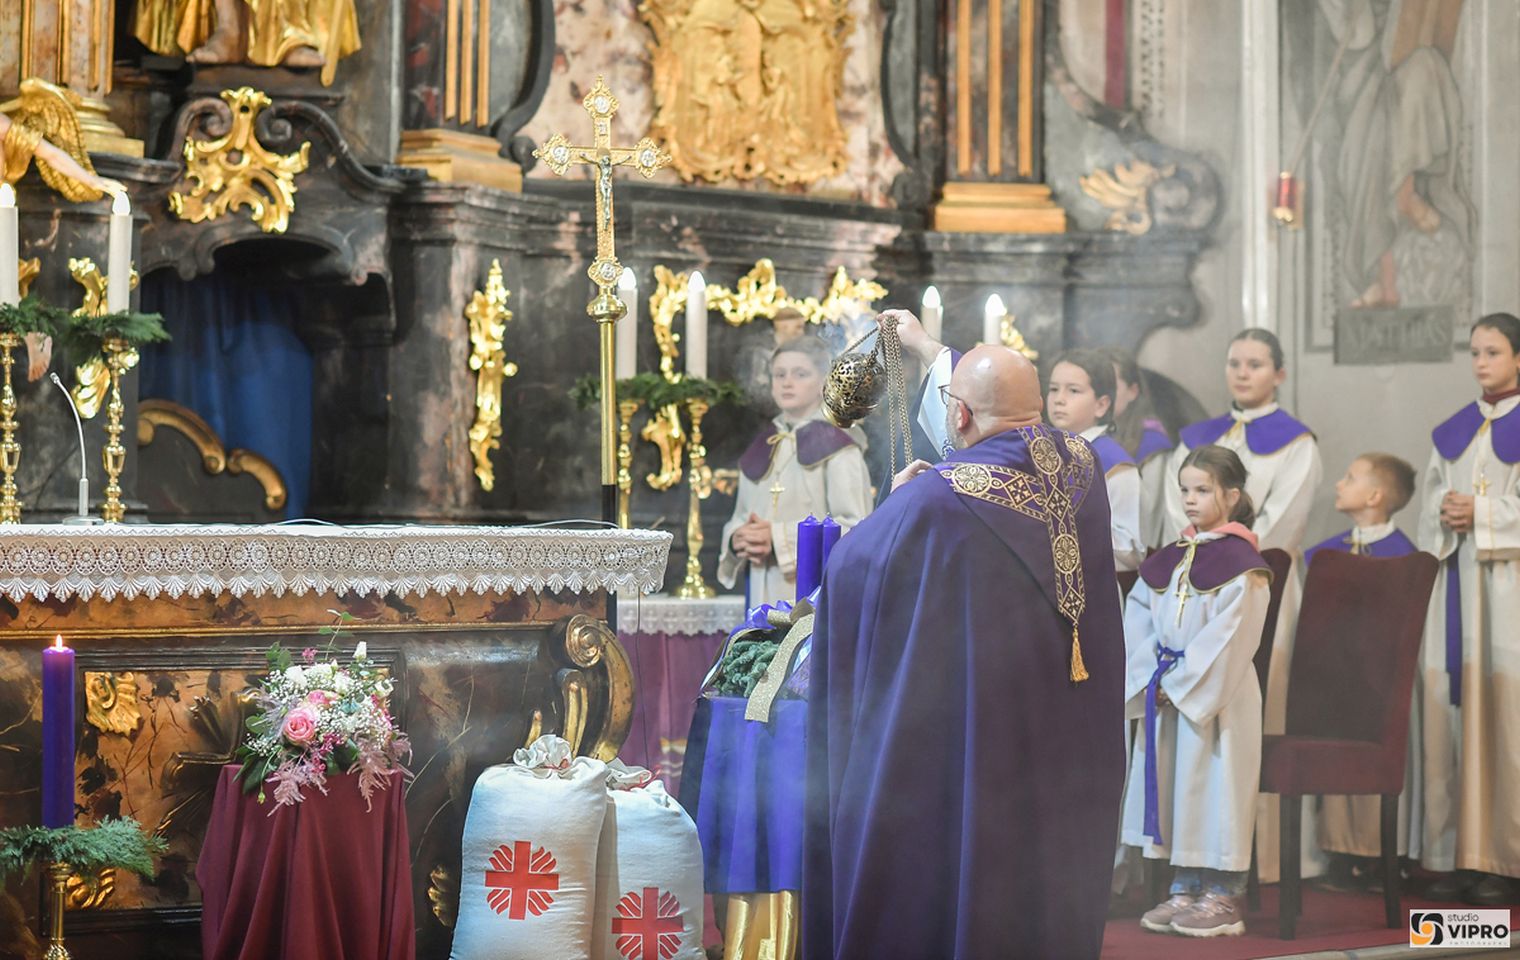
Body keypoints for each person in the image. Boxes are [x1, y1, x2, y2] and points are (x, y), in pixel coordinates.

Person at [804, 342, 1126, 959]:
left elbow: (849, 571)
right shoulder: (1084, 466)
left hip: (984, 731)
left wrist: (896, 499)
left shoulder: (938, 496)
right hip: (1067, 723)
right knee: (1044, 872)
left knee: (975, 864)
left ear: (959, 417)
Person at [1162, 327, 1322, 881]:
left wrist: (1229, 557)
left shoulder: (1298, 442)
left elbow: (1282, 524)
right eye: (1235, 363)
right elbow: (1177, 508)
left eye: (1256, 364)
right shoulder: (1197, 438)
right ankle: (1197, 854)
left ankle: (1262, 859)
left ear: (1279, 373)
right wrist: (1200, 551)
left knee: (1253, 709)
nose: (1243, 372)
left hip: (1258, 584)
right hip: (1194, 584)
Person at [1122, 445, 1272, 938]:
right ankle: (1183, 886)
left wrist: (1180, 684)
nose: (1190, 499)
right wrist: (1151, 678)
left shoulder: (1243, 565)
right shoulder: (1169, 559)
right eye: (1184, 489)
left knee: (1215, 788)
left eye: (1202, 490)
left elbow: (1232, 638)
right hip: (1167, 693)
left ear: (1232, 495)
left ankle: (1225, 892)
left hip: (1219, 698)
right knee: (1178, 788)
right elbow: (1138, 620)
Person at [1417, 312, 1520, 906]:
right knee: (1456, 719)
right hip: (1458, 585)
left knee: (1504, 718)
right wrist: (1446, 510)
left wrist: (1479, 515)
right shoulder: (1455, 429)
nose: (1481, 362)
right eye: (1475, 352)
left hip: (1508, 592)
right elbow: (1431, 492)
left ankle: (1505, 856)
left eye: (1493, 352)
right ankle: (1460, 852)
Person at [1305, 452, 1420, 891]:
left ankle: (1382, 856)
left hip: (1381, 683)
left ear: (1374, 496)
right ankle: (1340, 851)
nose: (1338, 484)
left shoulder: (1402, 555)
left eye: (1349, 478)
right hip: (1335, 682)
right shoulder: (1328, 552)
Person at [718, 336, 872, 606]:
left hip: (815, 601)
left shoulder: (839, 448)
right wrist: (736, 540)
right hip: (758, 595)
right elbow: (739, 518)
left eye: (800, 374)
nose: (787, 382)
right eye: (779, 374)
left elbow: (857, 529)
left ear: (823, 381)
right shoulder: (763, 445)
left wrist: (777, 538)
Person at [1047, 349, 1145, 571]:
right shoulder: (1042, 450)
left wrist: (1066, 525)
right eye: (1053, 389)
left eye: (1073, 390)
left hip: (1093, 584)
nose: (1059, 399)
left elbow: (1131, 551)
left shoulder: (1114, 464)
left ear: (1101, 405)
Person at [1099, 346, 1175, 550]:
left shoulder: (1151, 443)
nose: (1103, 394)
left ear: (1133, 391)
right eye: (1097, 384)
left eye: (1111, 385)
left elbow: (1149, 519)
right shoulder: (1092, 436)